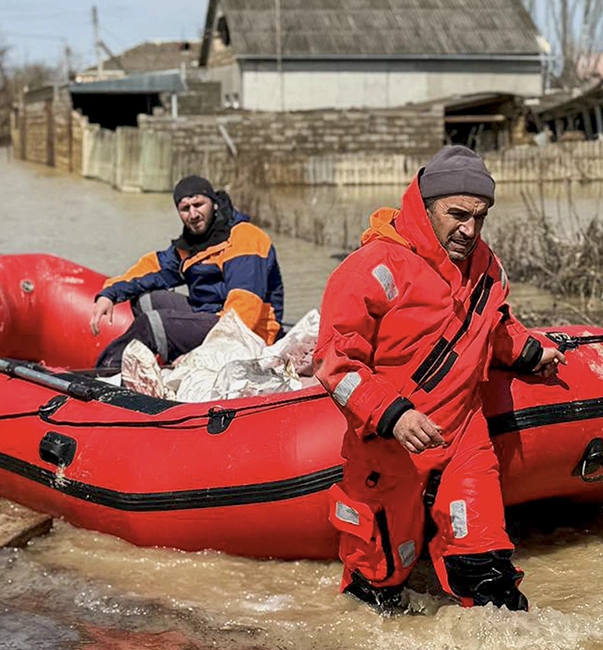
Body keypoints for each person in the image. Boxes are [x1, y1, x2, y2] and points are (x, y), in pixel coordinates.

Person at [313, 145, 566, 612]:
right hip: (389, 445)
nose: (469, 230)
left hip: (464, 436)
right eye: (457, 215)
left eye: (480, 218)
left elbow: (495, 324)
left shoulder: (485, 267)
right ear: (425, 204)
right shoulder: (371, 269)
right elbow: (335, 362)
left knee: (489, 573)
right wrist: (392, 415)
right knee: (378, 585)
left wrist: (531, 352)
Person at [90, 175, 284, 371]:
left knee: (152, 324)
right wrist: (109, 294)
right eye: (185, 209)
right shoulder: (191, 244)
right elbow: (151, 268)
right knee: (147, 299)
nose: (193, 214)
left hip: (252, 334)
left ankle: (104, 375)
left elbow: (244, 314)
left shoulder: (245, 238)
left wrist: (200, 354)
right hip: (210, 315)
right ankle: (162, 366)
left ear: (214, 204)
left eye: (198, 204)